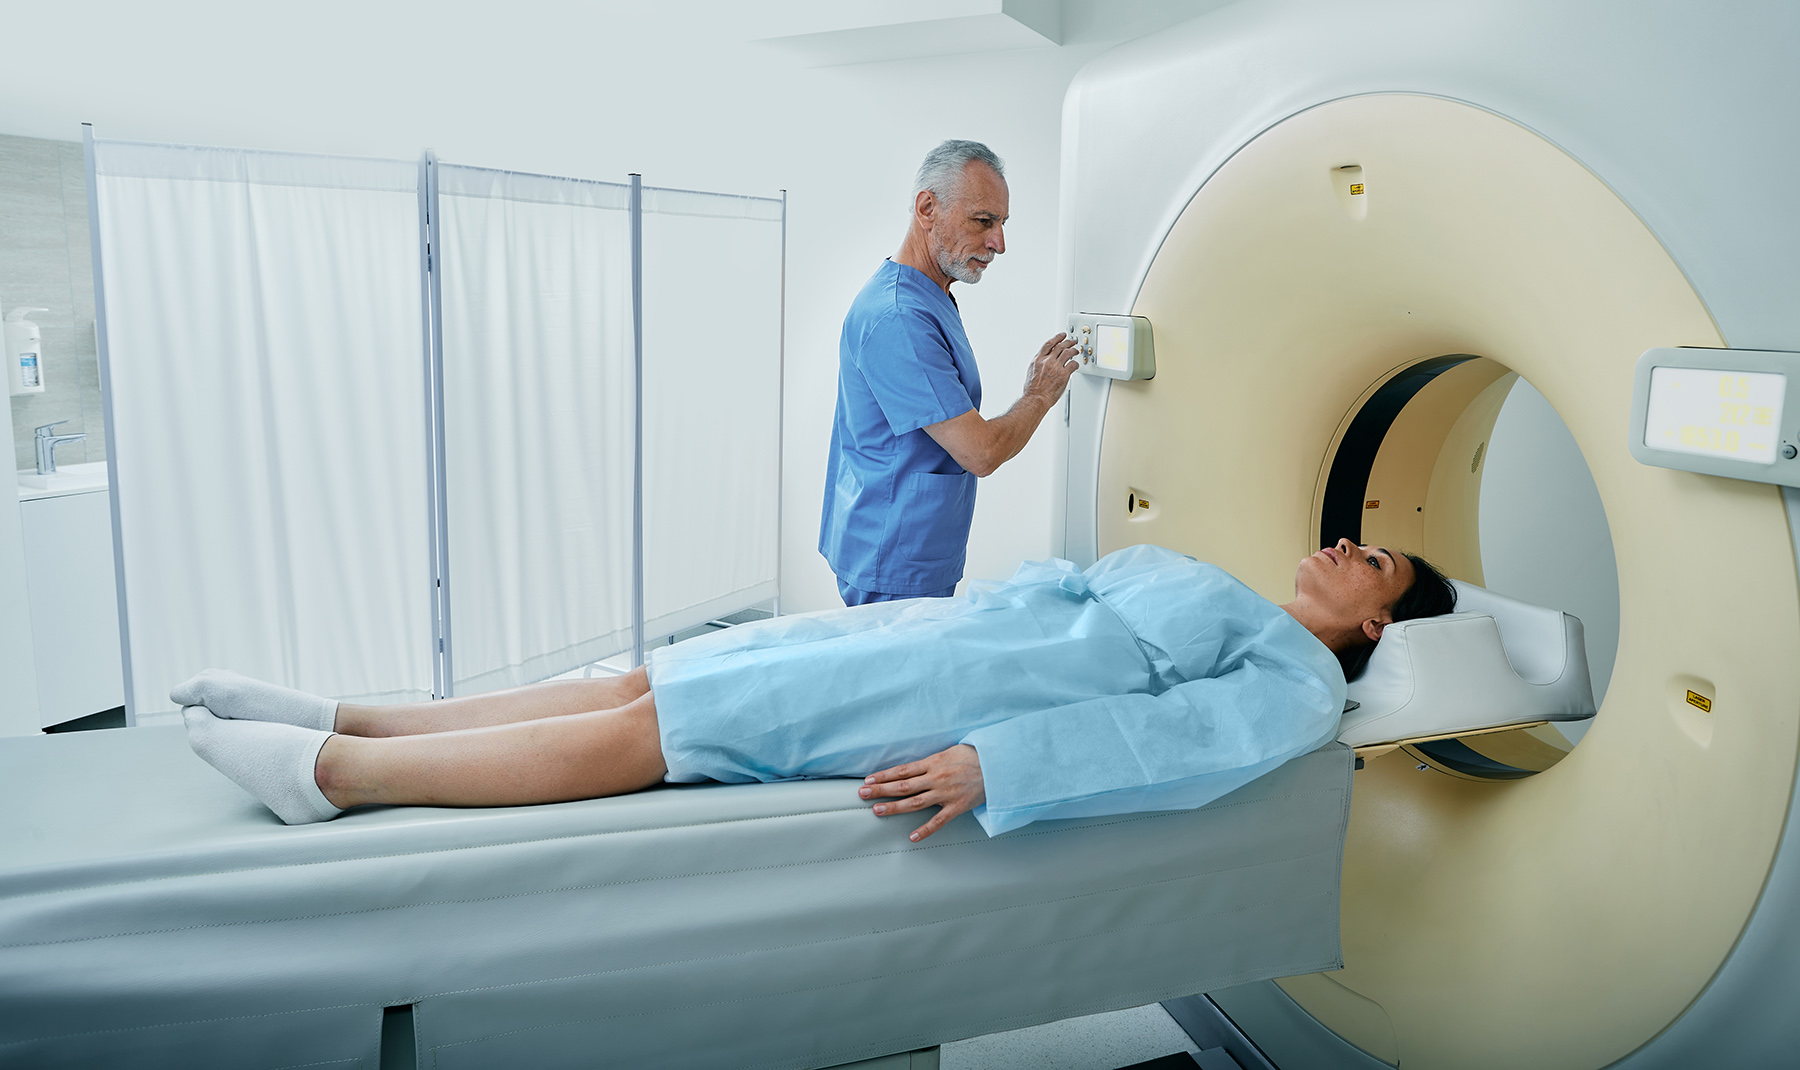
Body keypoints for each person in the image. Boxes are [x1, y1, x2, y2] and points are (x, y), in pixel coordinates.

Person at [178, 539, 1455, 842]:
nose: (1346, 545)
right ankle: (348, 710)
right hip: (933, 633)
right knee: (653, 671)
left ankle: (337, 780)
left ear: (1378, 619)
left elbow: (1170, 736)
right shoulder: (1226, 581)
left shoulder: (1299, 686)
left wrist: (999, 767)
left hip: (971, 692)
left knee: (666, 728)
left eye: (1374, 557)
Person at [819, 140, 1080, 606]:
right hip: (893, 556)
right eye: (984, 221)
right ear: (927, 208)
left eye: (1001, 224)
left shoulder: (929, 294)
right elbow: (980, 453)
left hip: (917, 546)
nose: (999, 243)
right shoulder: (898, 315)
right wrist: (1039, 395)